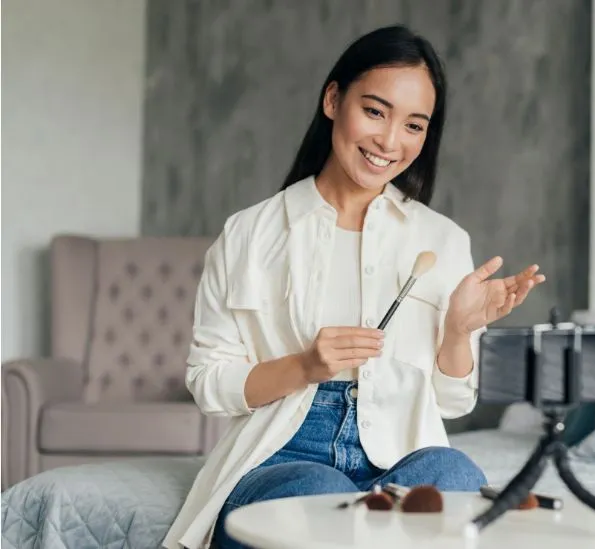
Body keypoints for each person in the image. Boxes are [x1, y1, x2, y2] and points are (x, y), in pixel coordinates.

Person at [162, 24, 545, 549]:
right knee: (320, 492)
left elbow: (452, 403)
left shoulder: (444, 240)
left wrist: (458, 332)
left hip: (404, 451)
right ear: (333, 99)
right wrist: (305, 367)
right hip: (283, 455)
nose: (390, 141)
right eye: (375, 111)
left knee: (454, 474)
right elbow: (208, 383)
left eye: (414, 124)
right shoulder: (250, 233)